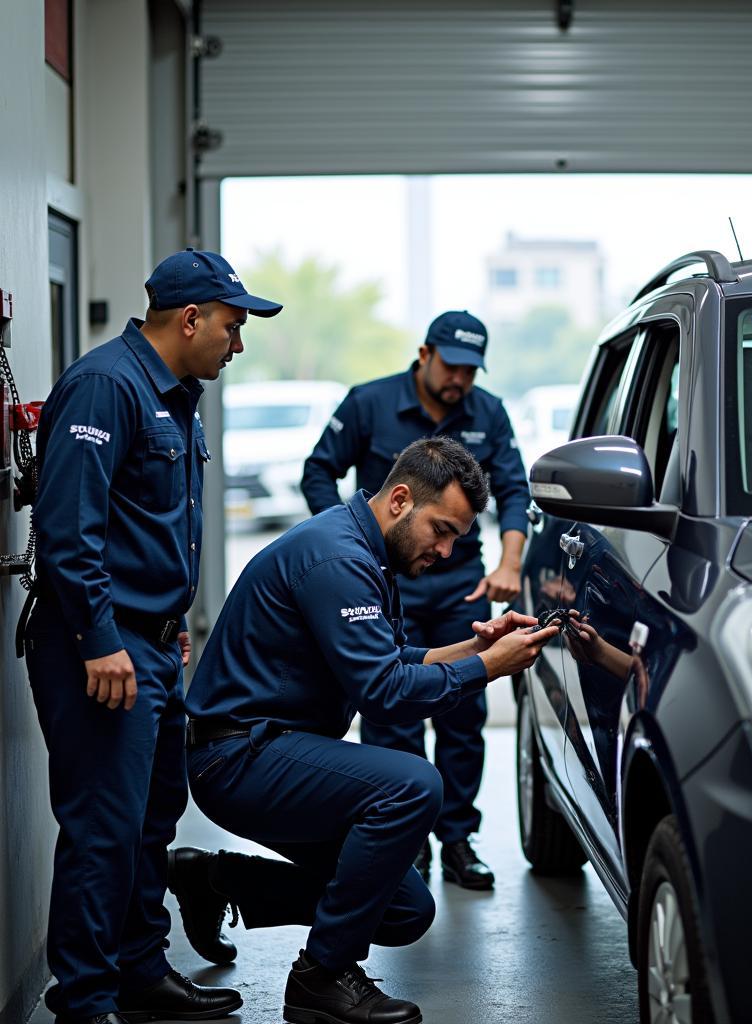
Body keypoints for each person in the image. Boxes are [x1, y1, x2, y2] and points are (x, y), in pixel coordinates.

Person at [171, 437, 557, 1024]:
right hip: (237, 756)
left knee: (405, 909)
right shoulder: (338, 558)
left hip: (276, 750)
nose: (449, 551)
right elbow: (385, 695)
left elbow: (391, 661)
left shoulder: (364, 548)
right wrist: (486, 668)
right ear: (401, 499)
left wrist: (477, 648)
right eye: (443, 530)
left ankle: (214, 879)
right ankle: (321, 976)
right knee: (413, 784)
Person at [23, 248, 282, 1024]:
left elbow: (149, 528)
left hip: (149, 644)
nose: (238, 344)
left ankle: (139, 971)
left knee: (149, 821)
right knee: (104, 829)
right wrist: (103, 637)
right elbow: (70, 531)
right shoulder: (109, 385)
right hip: (97, 646)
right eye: (233, 327)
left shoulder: (172, 395)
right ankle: (86, 1001)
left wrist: (167, 629)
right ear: (191, 317)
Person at [300, 310, 529, 889]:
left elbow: (515, 489)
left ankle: (456, 837)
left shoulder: (489, 412)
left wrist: (509, 563)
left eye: (471, 371)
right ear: (425, 354)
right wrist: (351, 546)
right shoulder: (368, 403)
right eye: (451, 365)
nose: (460, 380)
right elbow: (318, 472)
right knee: (390, 705)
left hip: (459, 583)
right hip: (384, 579)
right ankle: (405, 841)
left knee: (463, 708)